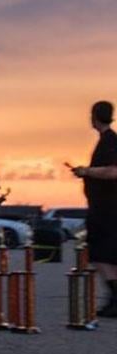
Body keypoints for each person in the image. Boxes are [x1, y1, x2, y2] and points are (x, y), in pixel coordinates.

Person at [71, 101, 117, 317]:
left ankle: (115, 296)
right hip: (103, 207)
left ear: (95, 116)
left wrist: (86, 171)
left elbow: (113, 171)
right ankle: (114, 299)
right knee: (109, 255)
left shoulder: (110, 141)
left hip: (107, 209)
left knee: (100, 253)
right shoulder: (106, 141)